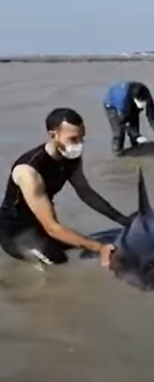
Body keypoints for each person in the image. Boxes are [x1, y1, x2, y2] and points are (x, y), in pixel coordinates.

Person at [0, 108, 130, 267]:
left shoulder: (71, 157)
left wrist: (123, 219)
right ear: (53, 134)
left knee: (96, 242)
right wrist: (100, 248)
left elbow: (86, 193)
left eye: (82, 139)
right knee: (59, 261)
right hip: (17, 233)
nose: (79, 145)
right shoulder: (29, 171)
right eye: (73, 139)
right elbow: (52, 227)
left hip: (40, 226)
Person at [103, 81, 154, 155]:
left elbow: (152, 117)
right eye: (140, 101)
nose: (143, 104)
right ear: (134, 99)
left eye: (144, 101)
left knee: (134, 125)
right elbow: (123, 123)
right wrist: (137, 136)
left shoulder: (147, 95)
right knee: (119, 132)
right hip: (111, 105)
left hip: (131, 101)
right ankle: (117, 153)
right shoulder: (123, 101)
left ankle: (136, 149)